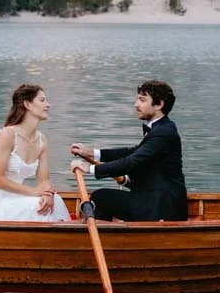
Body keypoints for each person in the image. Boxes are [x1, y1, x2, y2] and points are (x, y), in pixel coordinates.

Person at [70, 79, 187, 222]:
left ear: (159, 104)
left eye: (142, 100)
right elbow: (131, 152)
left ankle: (108, 235)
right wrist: (91, 153)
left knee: (100, 197)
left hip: (160, 208)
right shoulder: (161, 128)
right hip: (151, 200)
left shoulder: (164, 132)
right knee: (102, 196)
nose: (136, 104)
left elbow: (132, 162)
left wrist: (89, 169)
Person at [0, 83, 71, 222]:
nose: (48, 105)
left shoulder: (42, 141)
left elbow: (44, 181)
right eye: (42, 100)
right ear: (28, 104)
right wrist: (34, 192)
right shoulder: (8, 135)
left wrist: (48, 194)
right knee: (36, 206)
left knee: (56, 200)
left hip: (16, 195)